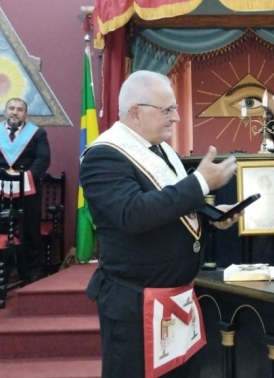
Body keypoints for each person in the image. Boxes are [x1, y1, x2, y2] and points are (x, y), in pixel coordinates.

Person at [80, 70, 239, 378]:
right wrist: (200, 183)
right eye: (167, 110)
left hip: (174, 298)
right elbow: (132, 214)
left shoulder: (160, 149)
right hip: (135, 304)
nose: (177, 117)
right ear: (136, 112)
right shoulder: (104, 155)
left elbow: (169, 210)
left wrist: (211, 219)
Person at [0, 98, 51, 284]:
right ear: (4, 111)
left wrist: (26, 178)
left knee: (30, 230)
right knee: (0, 230)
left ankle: (31, 271)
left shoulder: (37, 134)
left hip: (28, 188)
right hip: (0, 188)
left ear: (26, 114)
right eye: (11, 108)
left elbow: (43, 159)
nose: (15, 112)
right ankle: (3, 272)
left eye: (19, 109)